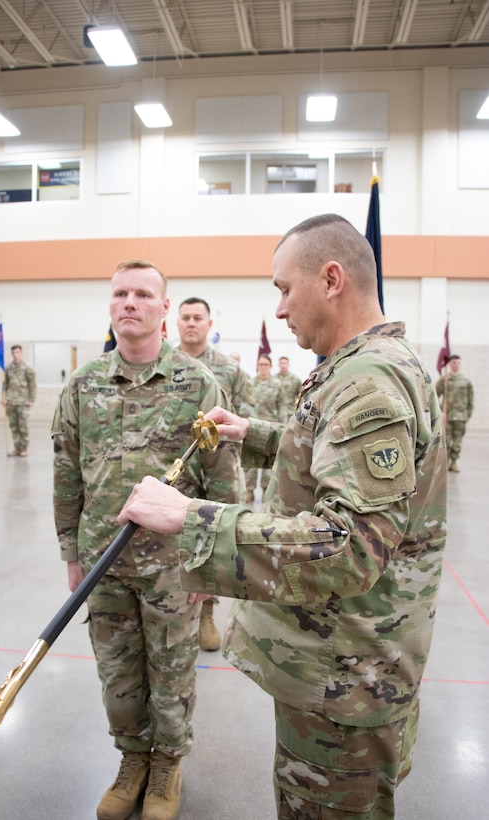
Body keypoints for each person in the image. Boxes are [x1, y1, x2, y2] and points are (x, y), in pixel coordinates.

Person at [119, 215, 448, 820]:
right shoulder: (365, 365)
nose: (278, 309)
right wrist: (257, 435)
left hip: (344, 679)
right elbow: (333, 455)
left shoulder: (368, 380)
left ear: (331, 280)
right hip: (338, 664)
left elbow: (349, 548)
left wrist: (192, 517)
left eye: (283, 289)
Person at [51, 260, 239, 820]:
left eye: (142, 294)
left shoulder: (198, 384)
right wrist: (70, 553)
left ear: (163, 310)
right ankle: (132, 758)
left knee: (173, 666)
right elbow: (65, 474)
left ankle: (167, 765)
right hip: (102, 564)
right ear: (111, 307)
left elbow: (224, 482)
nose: (129, 302)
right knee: (117, 672)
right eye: (120, 293)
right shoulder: (83, 385)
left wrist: (213, 565)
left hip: (173, 567)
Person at [177, 296, 254, 651]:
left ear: (210, 325)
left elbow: (246, 416)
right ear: (176, 324)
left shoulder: (229, 369)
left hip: (216, 471)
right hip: (177, 475)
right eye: (185, 318)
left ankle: (206, 611)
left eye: (198, 318)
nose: (191, 323)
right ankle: (176, 612)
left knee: (208, 539)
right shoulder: (167, 366)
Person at [245, 354, 286, 504]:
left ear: (270, 366)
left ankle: (265, 491)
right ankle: (249, 490)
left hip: (271, 426)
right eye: (260, 364)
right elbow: (245, 404)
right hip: (253, 425)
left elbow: (281, 405)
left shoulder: (276, 384)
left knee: (269, 461)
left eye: (265, 365)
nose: (262, 367)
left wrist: (283, 424)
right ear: (257, 366)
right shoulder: (250, 383)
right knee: (250, 460)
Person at [436, 353, 474, 473]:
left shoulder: (466, 381)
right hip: (447, 415)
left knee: (458, 440)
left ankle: (454, 462)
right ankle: (445, 462)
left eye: (458, 363)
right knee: (446, 440)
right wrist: (441, 411)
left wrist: (469, 414)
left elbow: (470, 399)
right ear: (450, 364)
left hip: (461, 416)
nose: (456, 365)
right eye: (453, 363)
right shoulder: (445, 380)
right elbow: (435, 396)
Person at [2, 344, 37, 456]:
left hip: (23, 401)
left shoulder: (27, 368)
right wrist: (3, 398)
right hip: (11, 401)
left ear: (21, 353)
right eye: (13, 353)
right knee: (13, 426)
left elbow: (32, 385)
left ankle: (24, 448)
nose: (15, 355)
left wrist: (32, 399)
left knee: (23, 426)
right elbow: (5, 384)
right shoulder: (8, 368)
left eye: (17, 352)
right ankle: (17, 447)